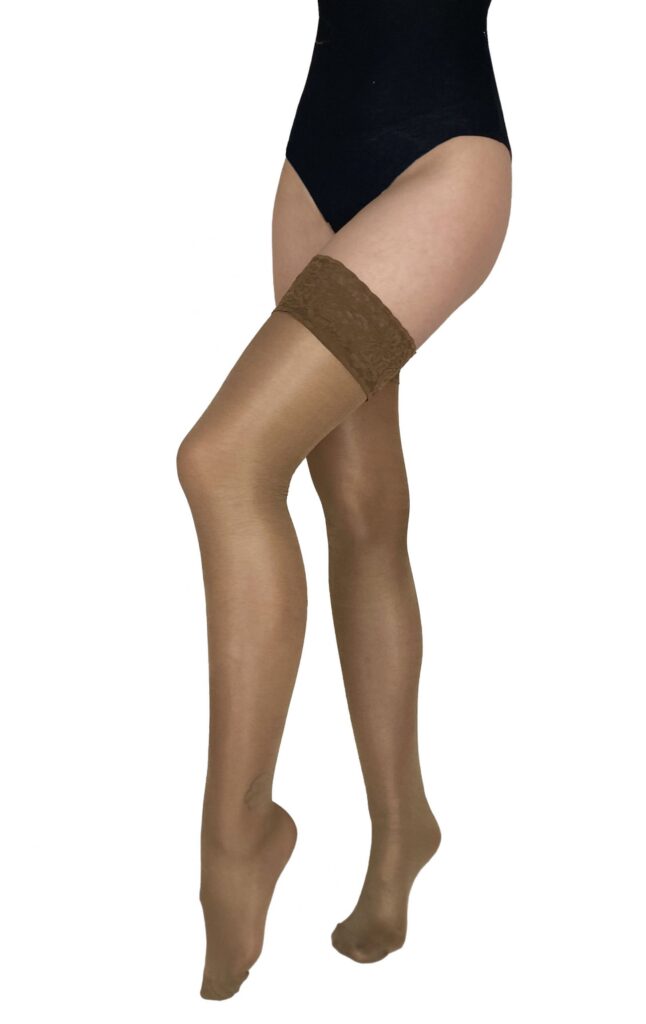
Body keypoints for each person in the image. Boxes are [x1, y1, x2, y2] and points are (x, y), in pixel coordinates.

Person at [176, 0, 512, 1000]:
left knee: (224, 462)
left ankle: (237, 833)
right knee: (358, 504)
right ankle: (403, 822)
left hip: (440, 163)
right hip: (313, 169)